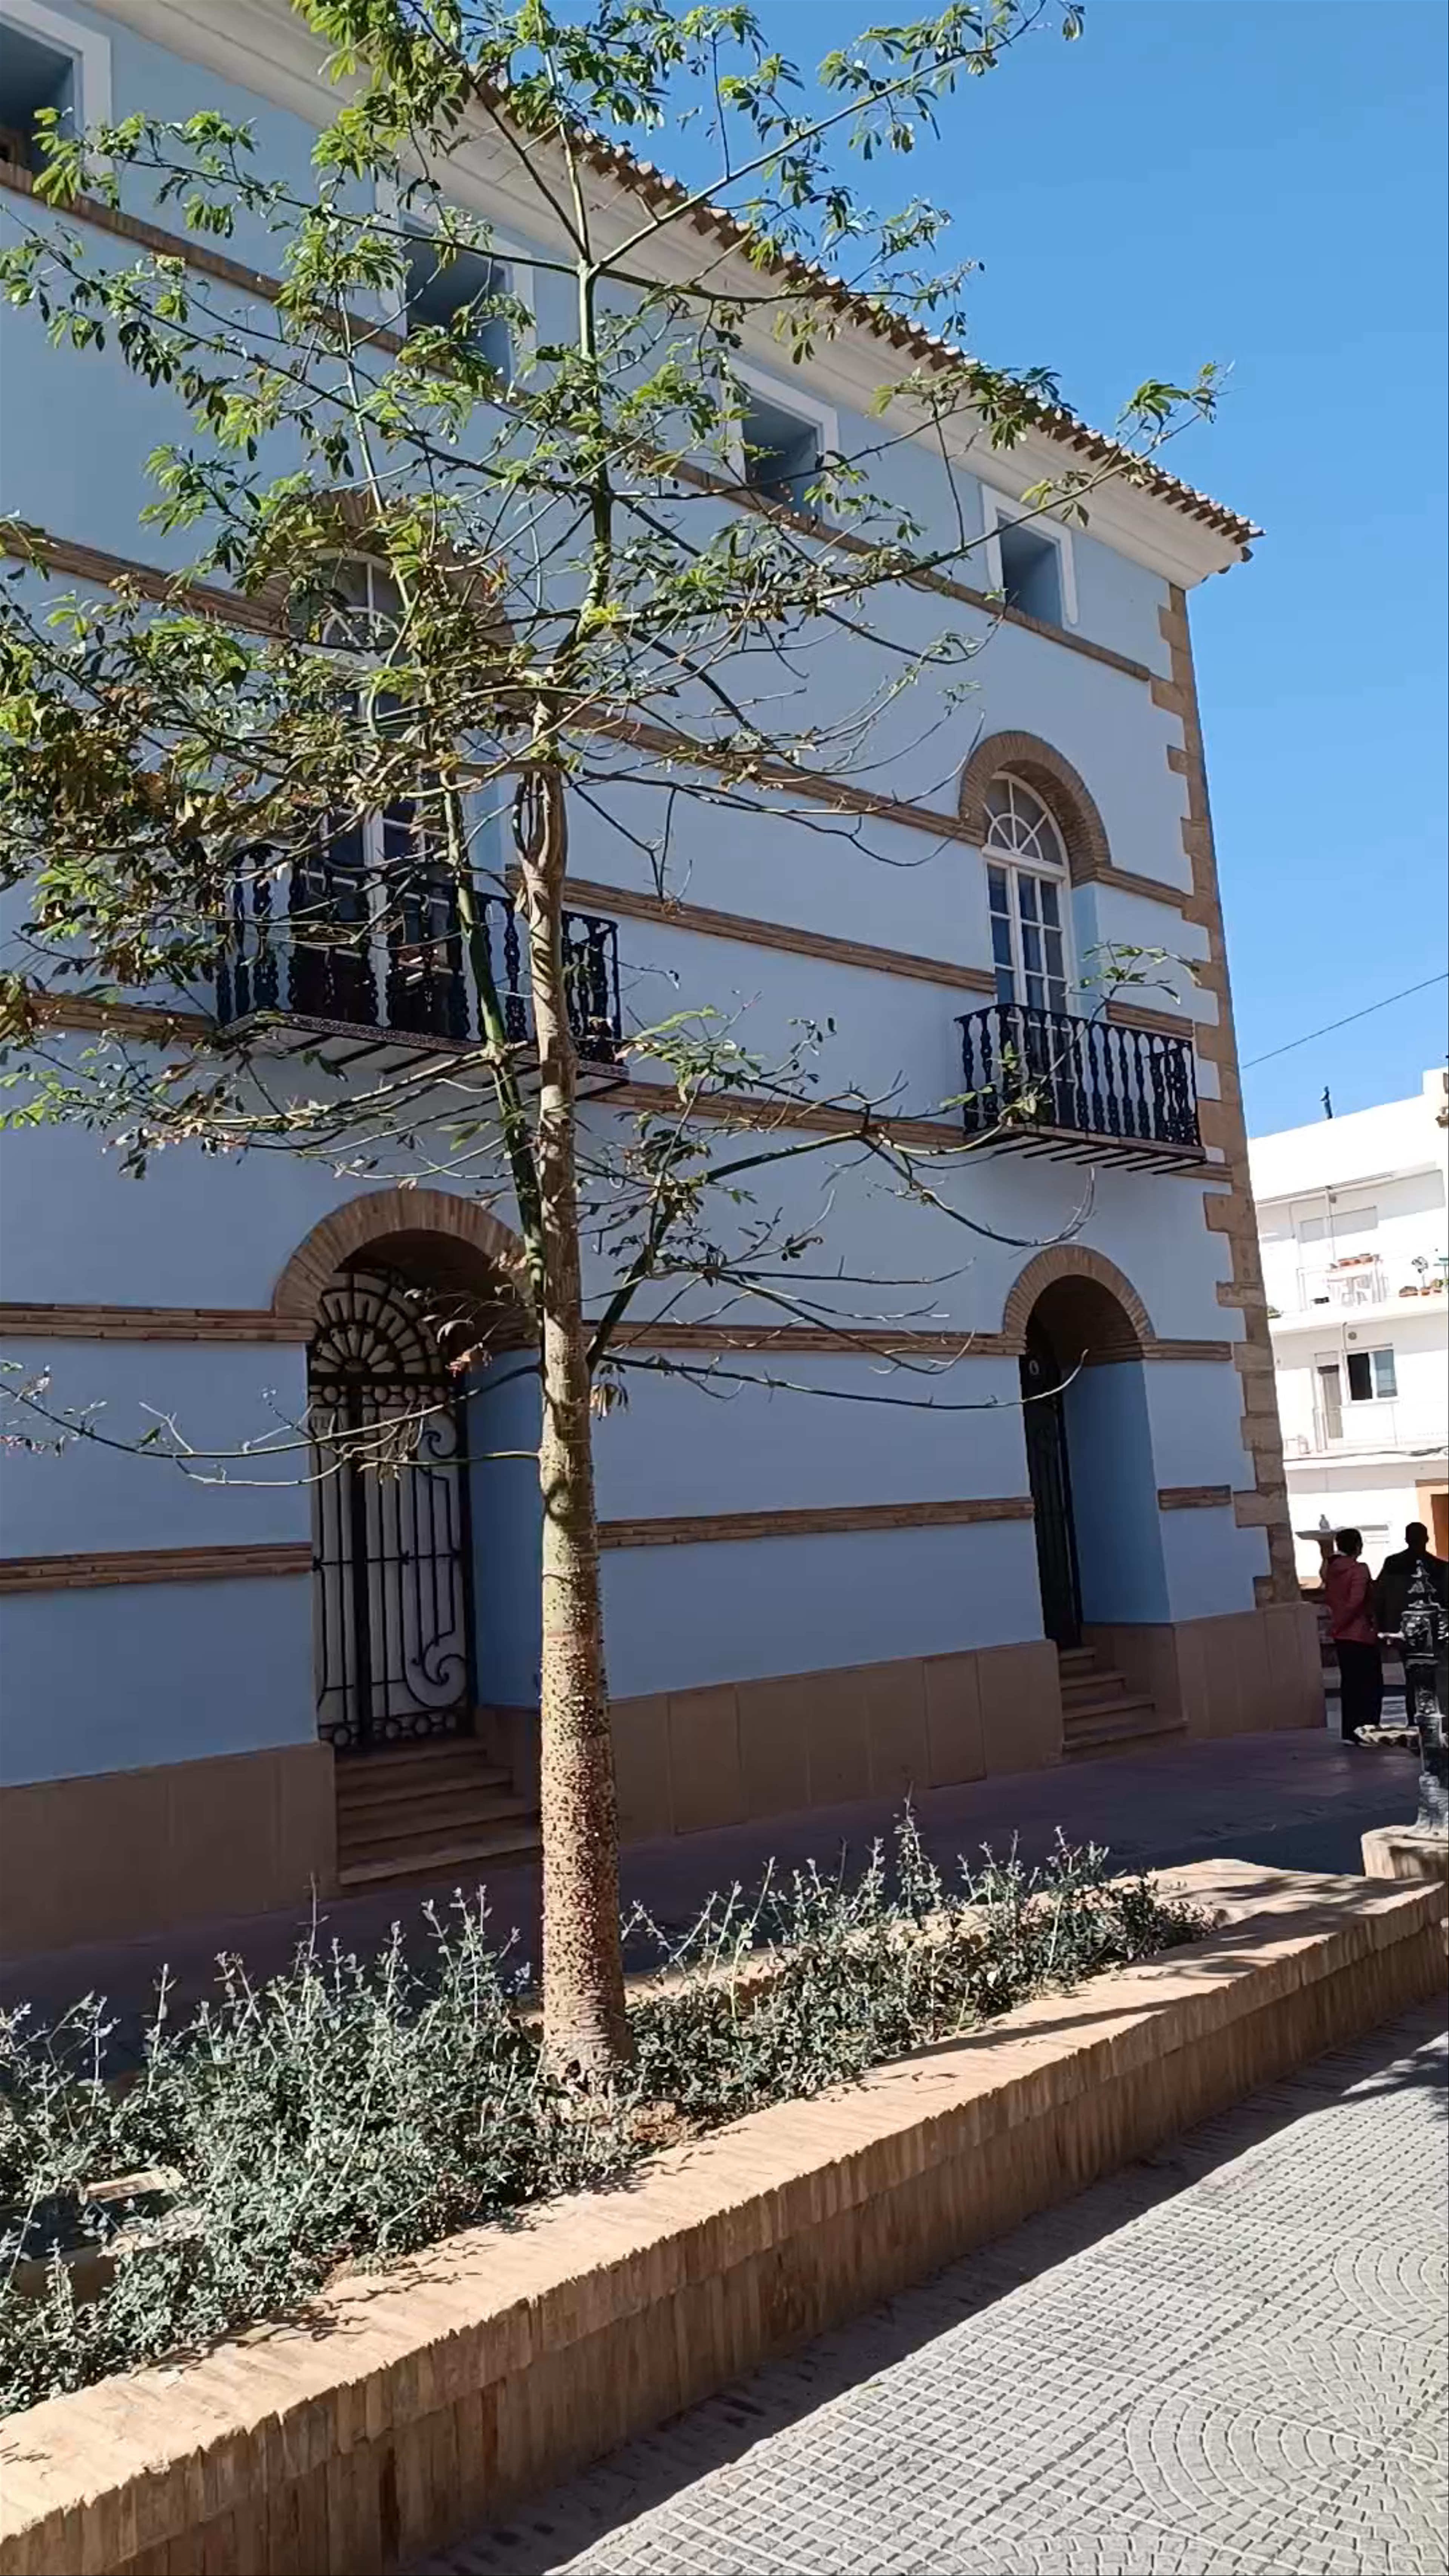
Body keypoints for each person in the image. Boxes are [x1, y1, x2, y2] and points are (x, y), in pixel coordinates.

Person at [1316, 1528, 1382, 1744]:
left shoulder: (1331, 1569)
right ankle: (1368, 1730)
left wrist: (1336, 1626)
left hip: (1342, 1635)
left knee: (1351, 1683)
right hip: (1361, 1632)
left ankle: (1350, 1730)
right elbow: (1356, 1602)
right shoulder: (1359, 1569)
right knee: (1370, 1684)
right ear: (1358, 1546)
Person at [1374, 1522, 1449, 1638]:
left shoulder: (1392, 1564)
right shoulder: (1440, 1567)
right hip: (1432, 1630)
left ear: (1406, 1540)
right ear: (1427, 1539)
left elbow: (1379, 1596)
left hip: (1398, 1628)